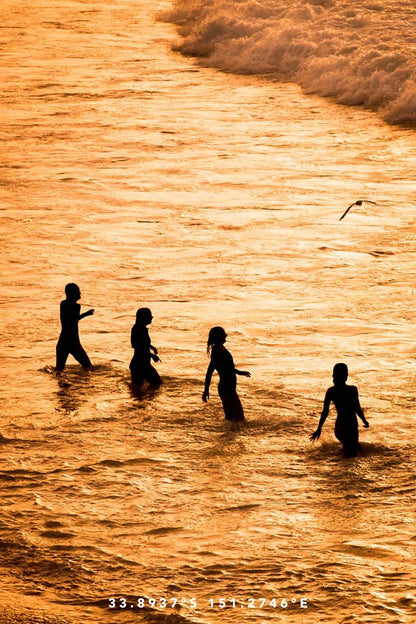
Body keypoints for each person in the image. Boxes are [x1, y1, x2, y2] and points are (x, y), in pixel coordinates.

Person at [310, 363, 369, 456]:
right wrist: (364, 420)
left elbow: (325, 412)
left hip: (341, 427)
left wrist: (319, 428)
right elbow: (357, 408)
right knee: (354, 451)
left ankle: (339, 466)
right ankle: (343, 467)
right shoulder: (352, 390)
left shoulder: (331, 391)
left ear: (333, 376)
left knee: (352, 451)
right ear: (346, 376)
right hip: (351, 425)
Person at [202, 326, 250, 421]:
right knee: (238, 418)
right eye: (223, 334)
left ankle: (228, 434)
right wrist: (206, 390)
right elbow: (209, 372)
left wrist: (240, 372)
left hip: (229, 387)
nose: (226, 335)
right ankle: (227, 434)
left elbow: (228, 368)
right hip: (226, 388)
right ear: (219, 337)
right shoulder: (216, 352)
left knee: (233, 418)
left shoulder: (221, 349)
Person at [56, 283, 94, 372]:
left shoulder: (63, 304)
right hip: (73, 342)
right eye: (78, 291)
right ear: (73, 293)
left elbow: (70, 320)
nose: (80, 293)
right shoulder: (76, 306)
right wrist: (86, 314)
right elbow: (73, 320)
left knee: (59, 370)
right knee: (89, 368)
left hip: (62, 342)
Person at [129, 308, 162, 388]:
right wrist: (151, 355)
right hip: (140, 365)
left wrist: (151, 347)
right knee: (156, 384)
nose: (151, 317)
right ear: (143, 317)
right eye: (149, 315)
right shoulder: (138, 329)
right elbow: (137, 346)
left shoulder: (141, 329)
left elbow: (142, 343)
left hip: (143, 364)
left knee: (138, 390)